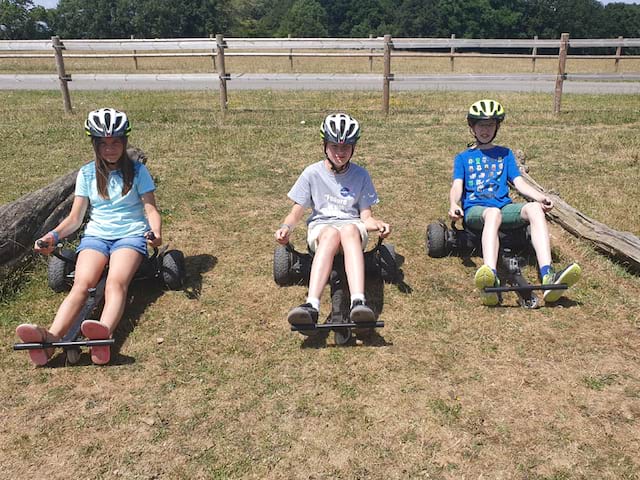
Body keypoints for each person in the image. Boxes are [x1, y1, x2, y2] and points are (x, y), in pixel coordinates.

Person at [16, 107, 162, 365]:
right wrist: (53, 236)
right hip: (96, 236)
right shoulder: (86, 174)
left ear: (124, 142)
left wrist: (155, 232)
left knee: (116, 282)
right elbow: (75, 219)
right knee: (81, 285)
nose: (110, 148)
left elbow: (150, 209)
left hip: (130, 236)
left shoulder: (138, 172)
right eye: (103, 143)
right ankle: (50, 338)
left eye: (115, 142)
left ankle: (102, 331)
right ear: (94, 144)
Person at [448, 99, 581, 306]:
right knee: (493, 213)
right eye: (481, 125)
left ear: (497, 127)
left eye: (490, 125)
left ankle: (548, 275)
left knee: (535, 210)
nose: (485, 130)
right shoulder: (463, 157)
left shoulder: (505, 154)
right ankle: (490, 275)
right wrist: (454, 204)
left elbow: (518, 182)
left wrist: (540, 197)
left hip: (504, 208)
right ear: (472, 127)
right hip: (476, 211)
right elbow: (457, 185)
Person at [275, 113, 391, 334]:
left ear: (353, 148)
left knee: (347, 230)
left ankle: (358, 302)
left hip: (353, 230)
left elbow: (365, 216)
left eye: (346, 147)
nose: (340, 152)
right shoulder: (312, 173)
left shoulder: (361, 175)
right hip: (322, 231)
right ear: (324, 146)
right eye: (335, 146)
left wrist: (379, 225)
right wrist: (286, 227)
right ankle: (311, 305)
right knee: (330, 233)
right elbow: (297, 211)